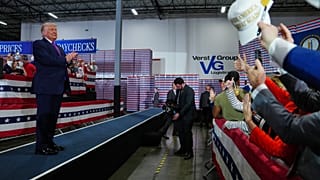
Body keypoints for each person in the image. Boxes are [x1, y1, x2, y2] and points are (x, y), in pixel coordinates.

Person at [32, 22, 78, 155]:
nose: (54, 31)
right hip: (45, 87)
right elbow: (47, 60)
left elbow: (61, 64)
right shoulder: (39, 44)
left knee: (52, 117)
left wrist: (69, 61)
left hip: (57, 87)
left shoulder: (59, 48)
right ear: (43, 32)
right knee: (44, 117)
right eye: (51, 29)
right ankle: (41, 146)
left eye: (55, 29)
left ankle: (50, 142)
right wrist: (65, 59)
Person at [172, 77, 196, 160]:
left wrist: (179, 113)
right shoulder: (179, 90)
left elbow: (188, 104)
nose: (177, 88)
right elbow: (179, 103)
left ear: (182, 84)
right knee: (181, 133)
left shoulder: (189, 90)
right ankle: (183, 149)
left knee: (187, 134)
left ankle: (190, 152)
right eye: (176, 86)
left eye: (178, 86)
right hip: (181, 116)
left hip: (188, 116)